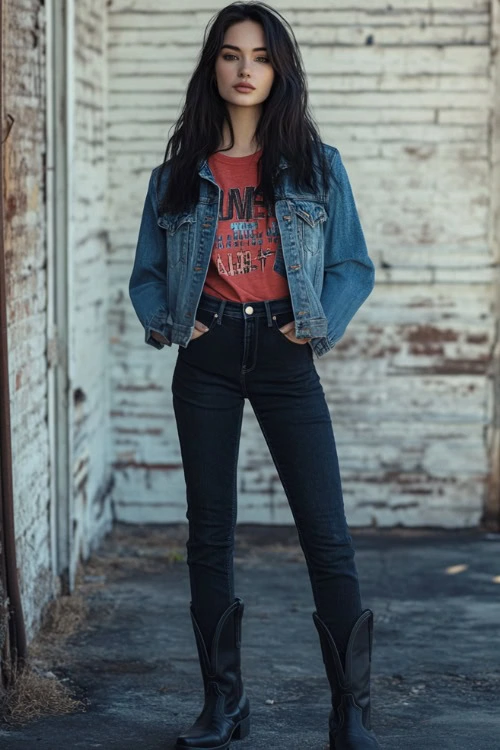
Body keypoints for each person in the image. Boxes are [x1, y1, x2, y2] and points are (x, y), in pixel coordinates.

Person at [129, 2, 381, 748]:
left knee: (326, 535)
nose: (246, 69)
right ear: (214, 66)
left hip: (283, 353)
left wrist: (320, 321)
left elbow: (352, 266)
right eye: (233, 55)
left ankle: (350, 714)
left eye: (261, 56)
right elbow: (145, 274)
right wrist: (171, 321)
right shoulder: (178, 175)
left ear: (279, 71)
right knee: (208, 534)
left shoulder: (315, 165)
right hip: (205, 358)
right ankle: (224, 707)